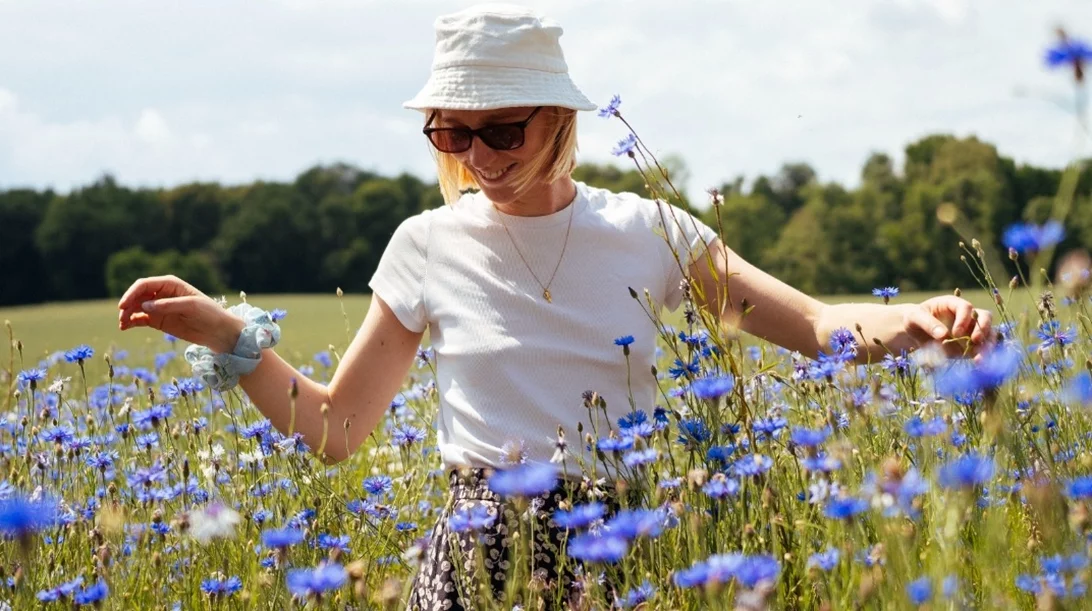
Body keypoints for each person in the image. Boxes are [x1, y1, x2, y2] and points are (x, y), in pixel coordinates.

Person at [116, 4, 994, 609]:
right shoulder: (425, 243)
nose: (480, 155)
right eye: (455, 134)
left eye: (504, 130)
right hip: (475, 554)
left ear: (561, 119)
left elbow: (808, 325)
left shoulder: (650, 228)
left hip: (630, 544)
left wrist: (914, 322)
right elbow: (338, 430)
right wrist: (230, 338)